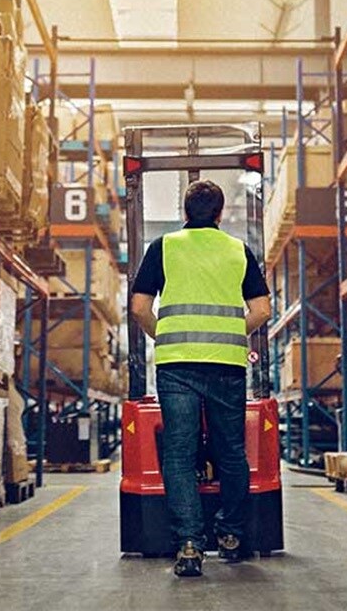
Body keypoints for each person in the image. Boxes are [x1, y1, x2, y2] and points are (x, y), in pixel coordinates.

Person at [129, 179, 272, 578]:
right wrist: (228, 332)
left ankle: (189, 544)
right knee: (230, 451)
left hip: (177, 365)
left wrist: (167, 334)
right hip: (227, 363)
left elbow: (139, 307)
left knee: (178, 453)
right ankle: (229, 534)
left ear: (185, 213)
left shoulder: (164, 247)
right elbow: (261, 309)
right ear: (221, 213)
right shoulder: (238, 251)